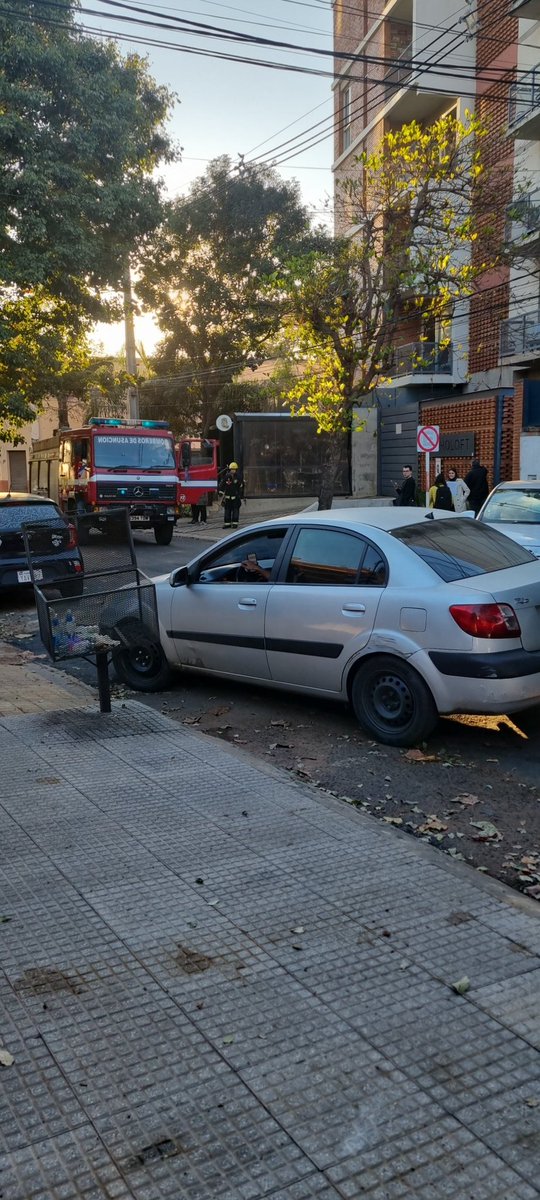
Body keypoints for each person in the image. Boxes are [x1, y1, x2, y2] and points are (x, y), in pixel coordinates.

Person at [220, 462, 244, 528]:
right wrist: (220, 493)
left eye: (234, 469)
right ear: (230, 469)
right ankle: (227, 524)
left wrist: (241, 495)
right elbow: (223, 485)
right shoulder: (227, 476)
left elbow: (241, 486)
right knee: (227, 511)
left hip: (236, 497)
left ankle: (235, 523)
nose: (233, 471)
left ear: (236, 469)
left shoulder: (239, 477)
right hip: (228, 498)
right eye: (232, 469)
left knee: (235, 510)